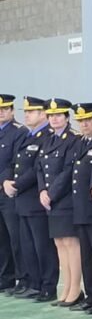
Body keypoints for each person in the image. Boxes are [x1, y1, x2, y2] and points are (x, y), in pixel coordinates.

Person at [5, 97, 59, 302]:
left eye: (32, 111)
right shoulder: (28, 136)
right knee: (27, 244)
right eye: (26, 111)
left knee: (42, 245)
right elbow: (15, 163)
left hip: (35, 199)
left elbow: (37, 168)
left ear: (43, 114)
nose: (27, 114)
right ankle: (32, 282)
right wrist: (9, 183)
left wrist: (16, 185)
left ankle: (47, 285)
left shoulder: (47, 137)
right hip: (22, 200)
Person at [38, 99, 83, 306]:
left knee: (71, 243)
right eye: (50, 115)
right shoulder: (47, 139)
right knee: (59, 243)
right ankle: (65, 287)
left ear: (66, 117)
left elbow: (68, 170)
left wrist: (52, 193)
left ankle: (75, 289)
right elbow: (40, 167)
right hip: (51, 200)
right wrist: (42, 191)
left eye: (58, 115)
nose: (54, 118)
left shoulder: (72, 139)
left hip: (66, 199)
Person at [70, 102, 92, 311]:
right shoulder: (81, 142)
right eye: (81, 121)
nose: (84, 124)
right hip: (81, 207)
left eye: (88, 120)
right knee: (87, 257)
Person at [0, 94, 26, 295]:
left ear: (11, 110)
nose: (1, 112)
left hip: (7, 192)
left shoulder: (19, 132)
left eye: (5, 108)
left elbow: (15, 163)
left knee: (15, 237)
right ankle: (5, 277)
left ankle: (22, 277)